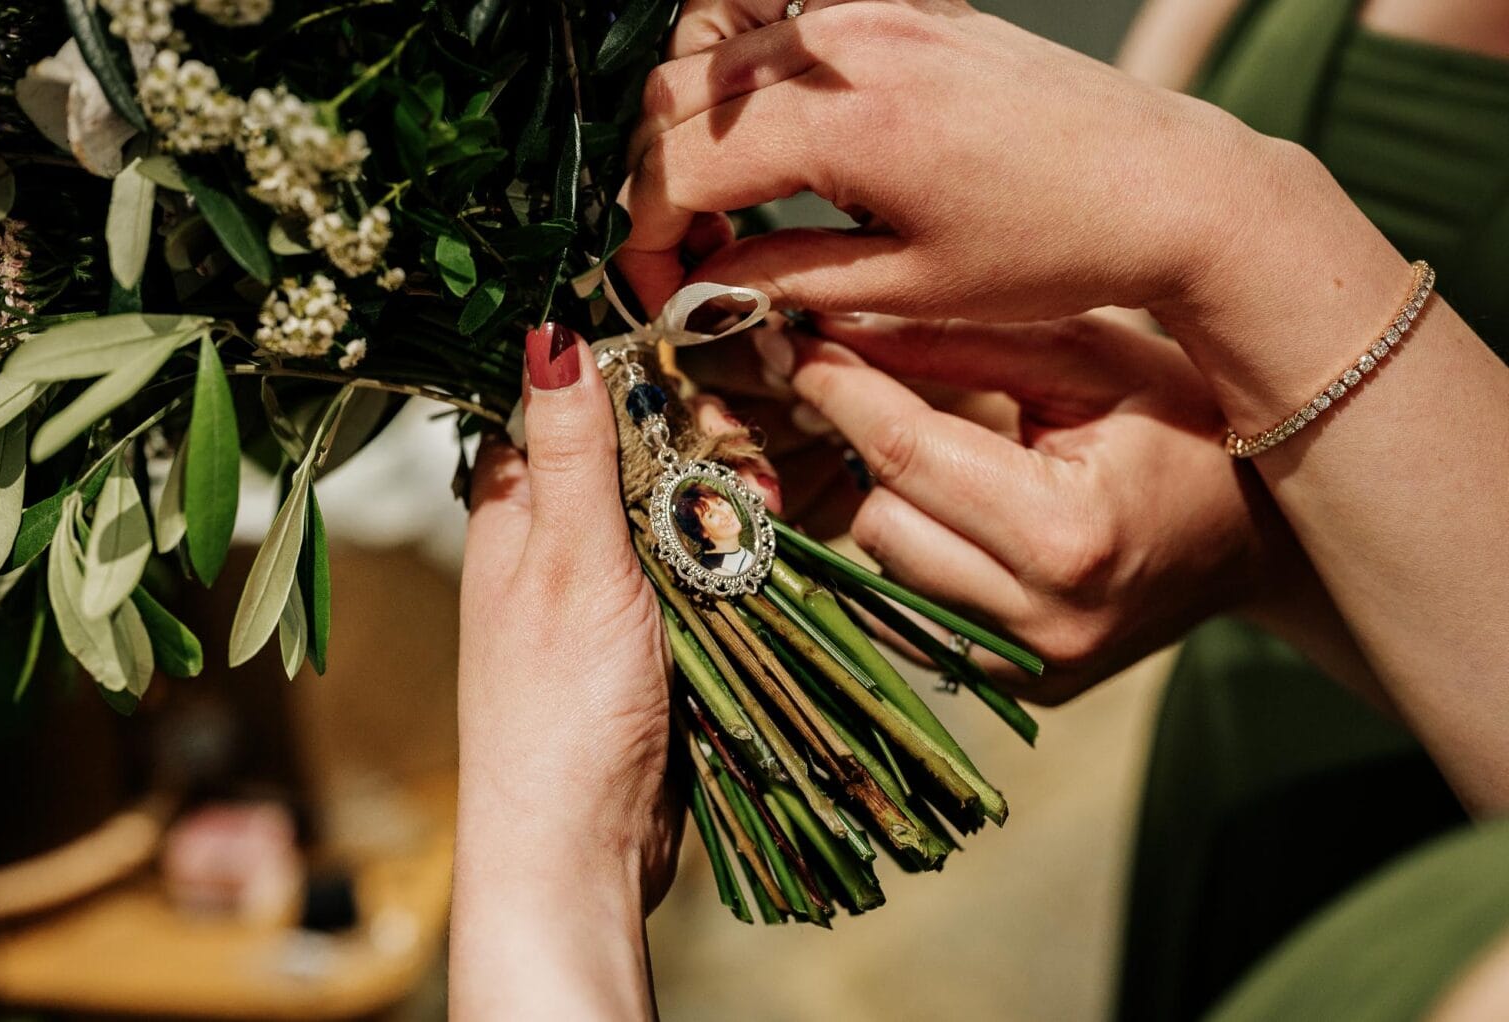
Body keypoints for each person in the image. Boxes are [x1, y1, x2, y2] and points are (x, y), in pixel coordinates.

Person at [452, 1, 1509, 1016]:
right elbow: (1126, 276)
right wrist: (1019, 356)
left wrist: (549, 863)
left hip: (1421, 834)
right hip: (1249, 751)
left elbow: (1193, 207)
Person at [671, 481, 755, 574]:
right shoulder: (719, 571)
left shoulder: (735, 551)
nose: (725, 513)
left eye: (720, 503)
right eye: (711, 515)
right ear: (702, 532)